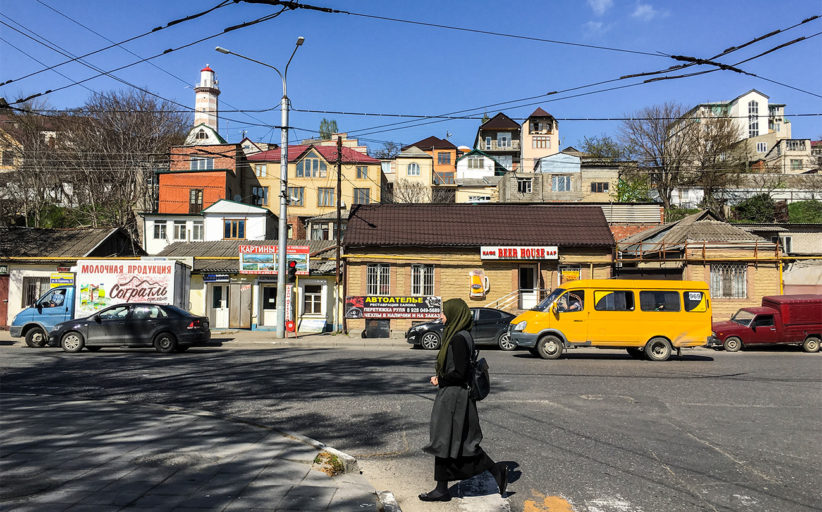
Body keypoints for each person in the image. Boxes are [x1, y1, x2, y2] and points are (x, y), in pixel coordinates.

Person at [419, 298, 507, 502]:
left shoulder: (458, 338)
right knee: (451, 441)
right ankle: (442, 488)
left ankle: (495, 470)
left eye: (444, 313)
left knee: (446, 440)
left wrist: (439, 379)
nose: (441, 316)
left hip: (453, 396)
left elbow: (459, 373)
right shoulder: (463, 335)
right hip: (456, 395)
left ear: (454, 314)